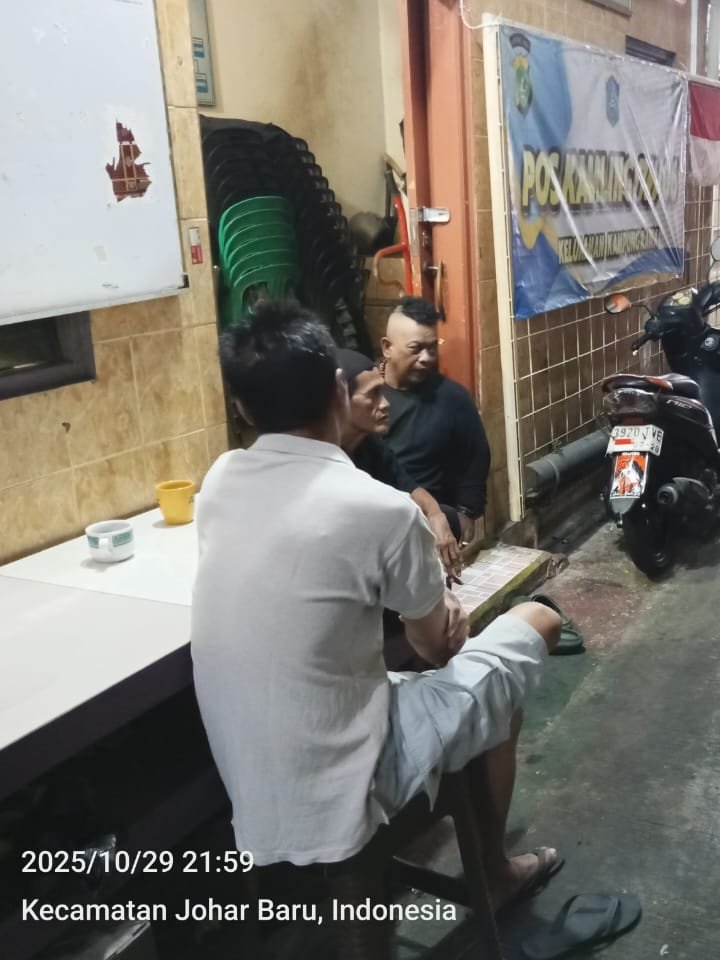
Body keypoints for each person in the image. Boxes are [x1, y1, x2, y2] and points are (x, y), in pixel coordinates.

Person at [191, 301, 563, 902]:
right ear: (339, 391)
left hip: (253, 785)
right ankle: (494, 875)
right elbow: (436, 647)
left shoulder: (219, 481)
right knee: (536, 622)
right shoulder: (379, 509)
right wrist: (446, 613)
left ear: (241, 408)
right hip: (346, 783)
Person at [338, 348, 462, 580]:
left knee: (446, 517)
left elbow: (410, 487)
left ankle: (433, 595)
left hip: (376, 532)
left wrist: (436, 515)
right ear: (340, 401)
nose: (385, 404)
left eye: (383, 392)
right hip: (346, 548)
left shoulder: (368, 442)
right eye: (373, 395)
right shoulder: (326, 456)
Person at [381, 297, 490, 547]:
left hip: (432, 524)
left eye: (432, 347)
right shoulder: (366, 395)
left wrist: (466, 512)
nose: (427, 358)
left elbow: (476, 456)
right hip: (377, 520)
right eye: (416, 348)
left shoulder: (452, 398)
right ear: (387, 348)